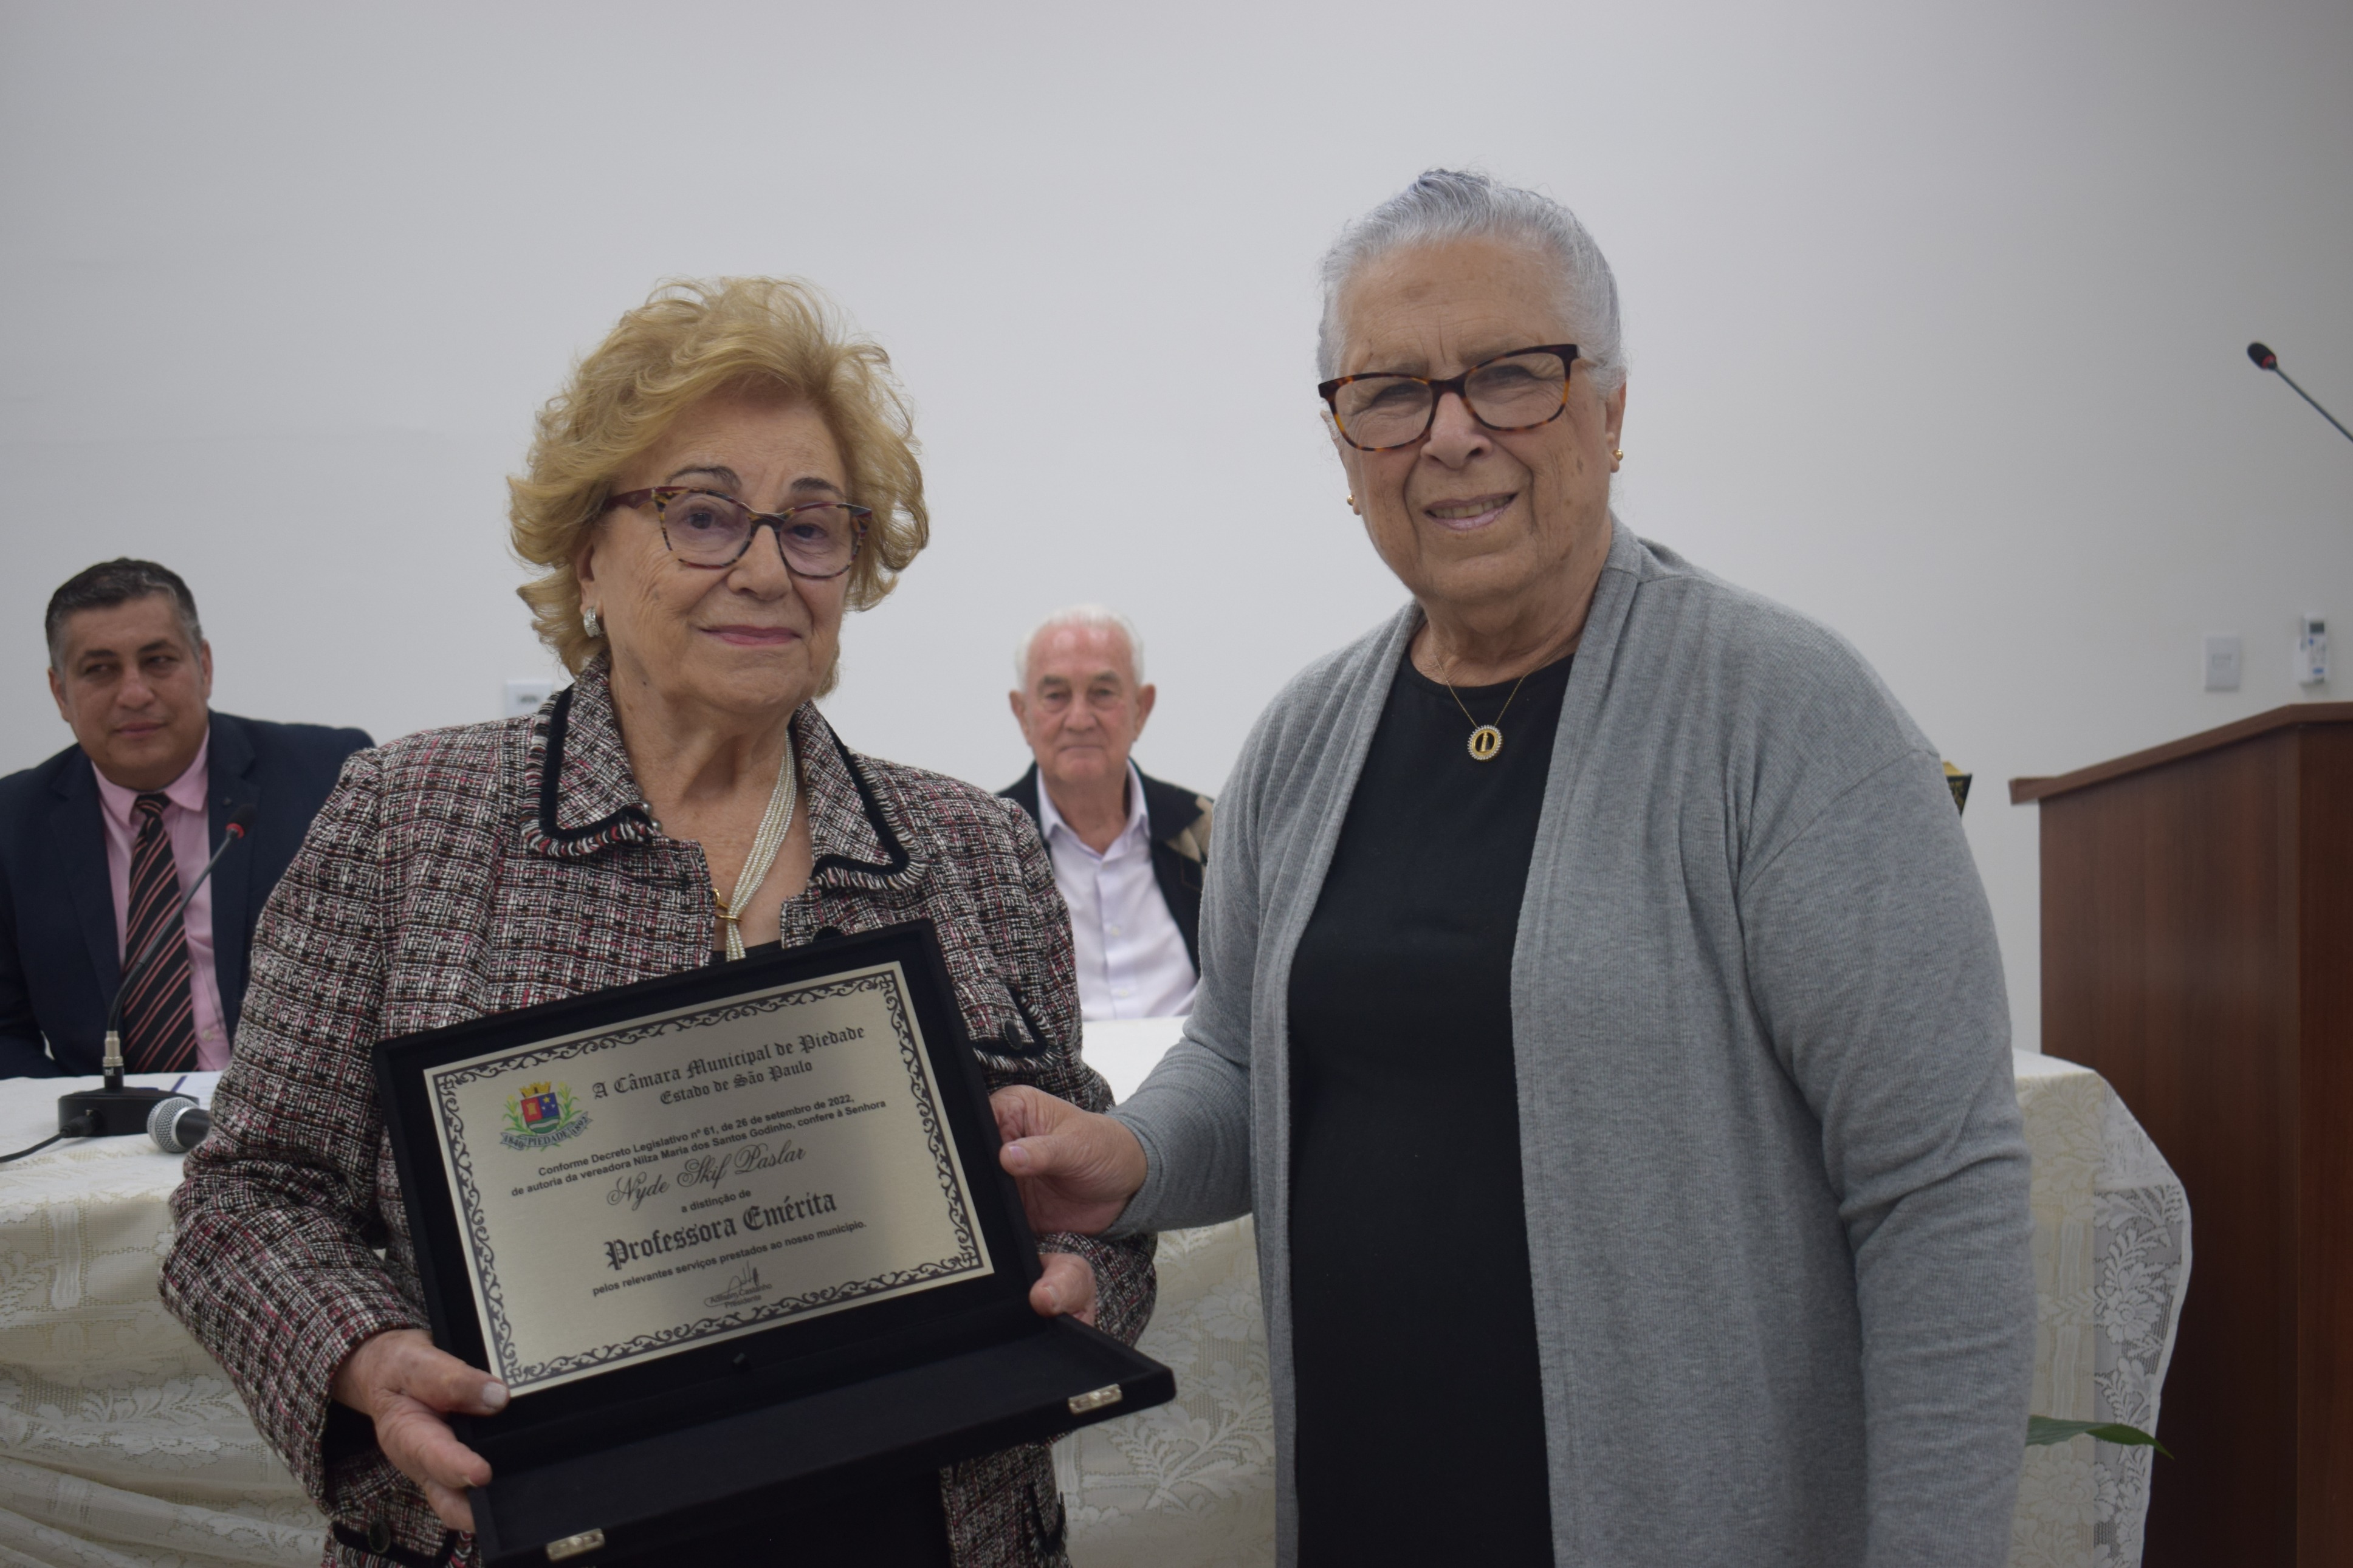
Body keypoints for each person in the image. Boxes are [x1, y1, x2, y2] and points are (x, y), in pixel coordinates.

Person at [991, 170, 2035, 1566]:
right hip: (1370, 1509)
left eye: (1509, 376)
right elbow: (1247, 1054)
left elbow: (1937, 1189)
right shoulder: (1303, 739)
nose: (1452, 433)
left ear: (1608, 409)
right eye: (1392, 391)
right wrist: (1126, 1153)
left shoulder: (1783, 710)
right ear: (1346, 442)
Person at [161, 278, 1152, 1568]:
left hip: (928, 1528)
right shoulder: (411, 823)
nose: (762, 569)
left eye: (811, 526)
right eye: (701, 515)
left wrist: (1090, 1283)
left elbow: (1086, 1197)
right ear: (587, 548)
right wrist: (365, 1355)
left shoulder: (972, 849)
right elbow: (247, 1198)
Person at [0, 560, 370, 1078]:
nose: (134, 693)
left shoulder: (329, 774)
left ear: (204, 666)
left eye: (158, 660)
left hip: (299, 1120)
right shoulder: (14, 822)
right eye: (100, 669)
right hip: (106, 1138)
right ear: (61, 692)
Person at [1001, 606, 1212, 1021]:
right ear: (1023, 715)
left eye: (1102, 693)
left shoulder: (1210, 832)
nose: (1080, 719)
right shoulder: (983, 845)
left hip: (1195, 1078)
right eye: (1056, 696)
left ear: (1141, 708)